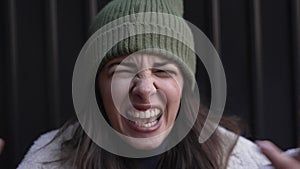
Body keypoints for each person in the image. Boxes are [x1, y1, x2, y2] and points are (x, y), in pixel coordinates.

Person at [17, 0, 299, 168]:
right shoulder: (46, 162)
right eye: (120, 70)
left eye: (162, 71)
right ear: (97, 88)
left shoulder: (241, 162)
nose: (144, 90)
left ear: (184, 86)